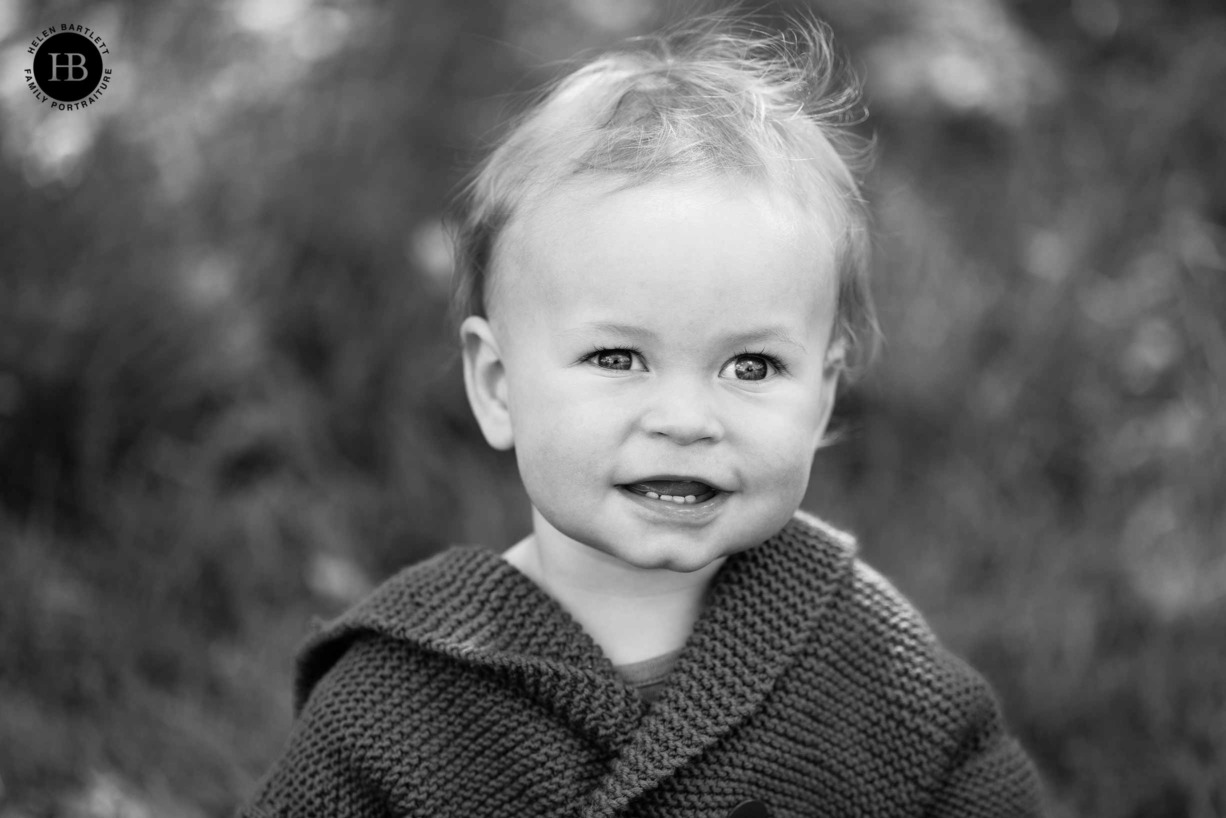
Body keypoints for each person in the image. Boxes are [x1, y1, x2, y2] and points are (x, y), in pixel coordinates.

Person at [239, 16, 1046, 818]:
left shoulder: (868, 656)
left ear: (824, 394)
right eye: (619, 359)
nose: (687, 419)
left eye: (751, 366)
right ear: (496, 384)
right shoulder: (399, 702)